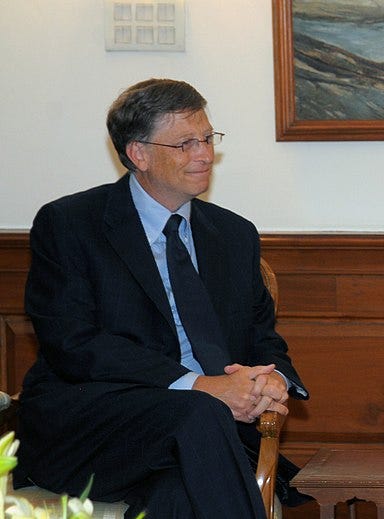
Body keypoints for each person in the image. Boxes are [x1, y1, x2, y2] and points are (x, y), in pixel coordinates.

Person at [16, 78, 309, 518]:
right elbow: (73, 344)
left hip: (200, 441)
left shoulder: (233, 235)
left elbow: (262, 338)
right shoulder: (71, 224)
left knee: (178, 493)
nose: (205, 154)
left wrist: (273, 380)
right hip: (96, 429)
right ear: (139, 154)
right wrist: (201, 387)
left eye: (208, 138)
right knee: (200, 413)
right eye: (186, 143)